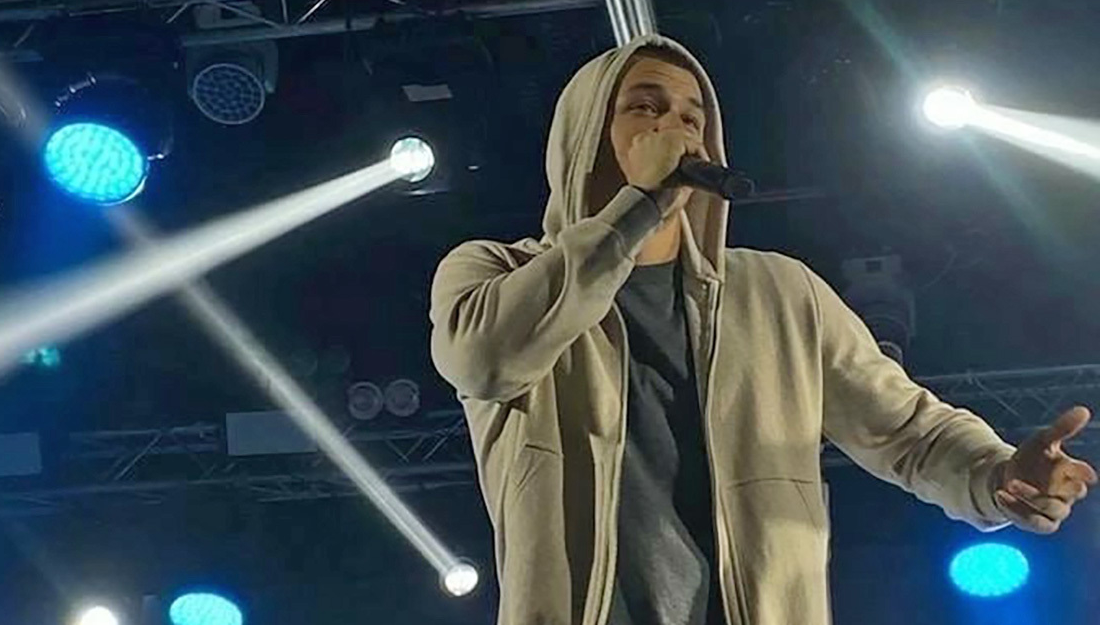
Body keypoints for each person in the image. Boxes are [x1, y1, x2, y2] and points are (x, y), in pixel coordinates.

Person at [428, 34, 1096, 625]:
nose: (675, 126)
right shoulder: (496, 272)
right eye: (645, 107)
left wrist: (997, 474)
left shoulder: (780, 293)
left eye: (692, 116)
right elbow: (487, 360)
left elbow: (908, 430)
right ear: (583, 135)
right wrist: (636, 206)